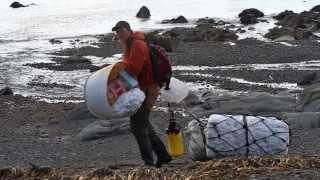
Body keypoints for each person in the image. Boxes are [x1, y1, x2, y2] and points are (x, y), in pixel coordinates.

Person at [111, 21, 172, 167]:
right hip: (141, 88)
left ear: (128, 30)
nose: (119, 34)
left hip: (147, 88)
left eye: (121, 31)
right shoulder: (130, 44)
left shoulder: (137, 45)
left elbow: (134, 69)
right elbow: (131, 68)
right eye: (117, 32)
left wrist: (116, 73)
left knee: (137, 126)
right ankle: (163, 156)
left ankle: (148, 162)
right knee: (143, 123)